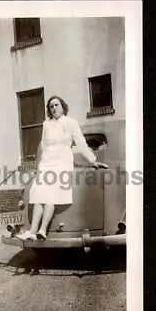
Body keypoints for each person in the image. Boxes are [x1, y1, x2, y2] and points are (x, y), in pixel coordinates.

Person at [16, 96, 107, 241]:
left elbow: (81, 143)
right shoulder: (46, 124)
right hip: (47, 162)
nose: (54, 108)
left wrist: (93, 160)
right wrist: (38, 167)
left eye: (56, 105)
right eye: (51, 106)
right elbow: (43, 146)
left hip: (62, 162)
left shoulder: (71, 123)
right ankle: (32, 231)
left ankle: (42, 230)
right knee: (38, 192)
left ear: (63, 107)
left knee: (52, 194)